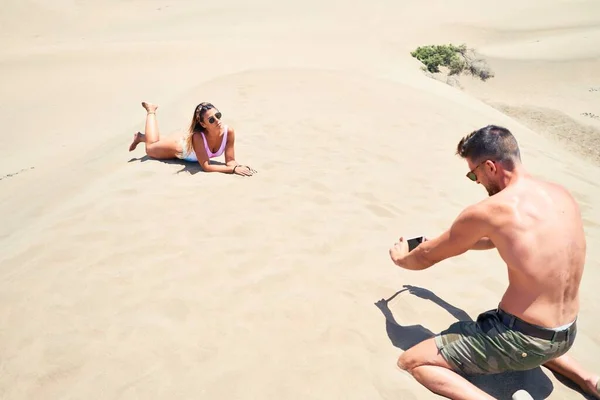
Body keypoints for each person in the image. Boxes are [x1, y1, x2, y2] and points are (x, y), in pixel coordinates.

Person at [388, 125, 599, 400]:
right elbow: (501, 241)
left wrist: (401, 258)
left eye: (472, 174)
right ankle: (590, 380)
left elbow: (425, 258)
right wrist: (444, 241)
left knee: (413, 361)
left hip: (522, 342)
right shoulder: (560, 195)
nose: (475, 181)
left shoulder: (491, 210)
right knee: (536, 331)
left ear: (490, 166)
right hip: (566, 335)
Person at [129, 101, 257, 176]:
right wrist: (232, 170)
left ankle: (141, 137)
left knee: (158, 142)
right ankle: (151, 111)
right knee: (151, 148)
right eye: (211, 119)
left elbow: (230, 160)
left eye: (218, 115)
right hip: (179, 147)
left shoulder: (229, 132)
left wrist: (238, 167)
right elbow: (206, 167)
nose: (217, 120)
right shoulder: (198, 136)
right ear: (203, 124)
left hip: (187, 143)